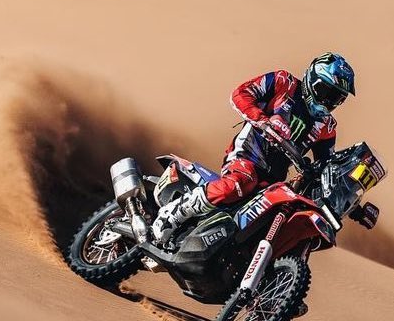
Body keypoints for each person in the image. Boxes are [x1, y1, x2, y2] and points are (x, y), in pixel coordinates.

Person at [150, 52, 358, 242]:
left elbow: (327, 168)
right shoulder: (282, 82)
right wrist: (263, 120)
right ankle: (173, 214)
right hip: (247, 156)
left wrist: (351, 202)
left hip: (273, 180)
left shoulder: (327, 126)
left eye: (336, 98)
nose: (327, 101)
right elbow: (240, 94)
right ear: (313, 78)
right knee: (241, 181)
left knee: (271, 222)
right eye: (325, 91)